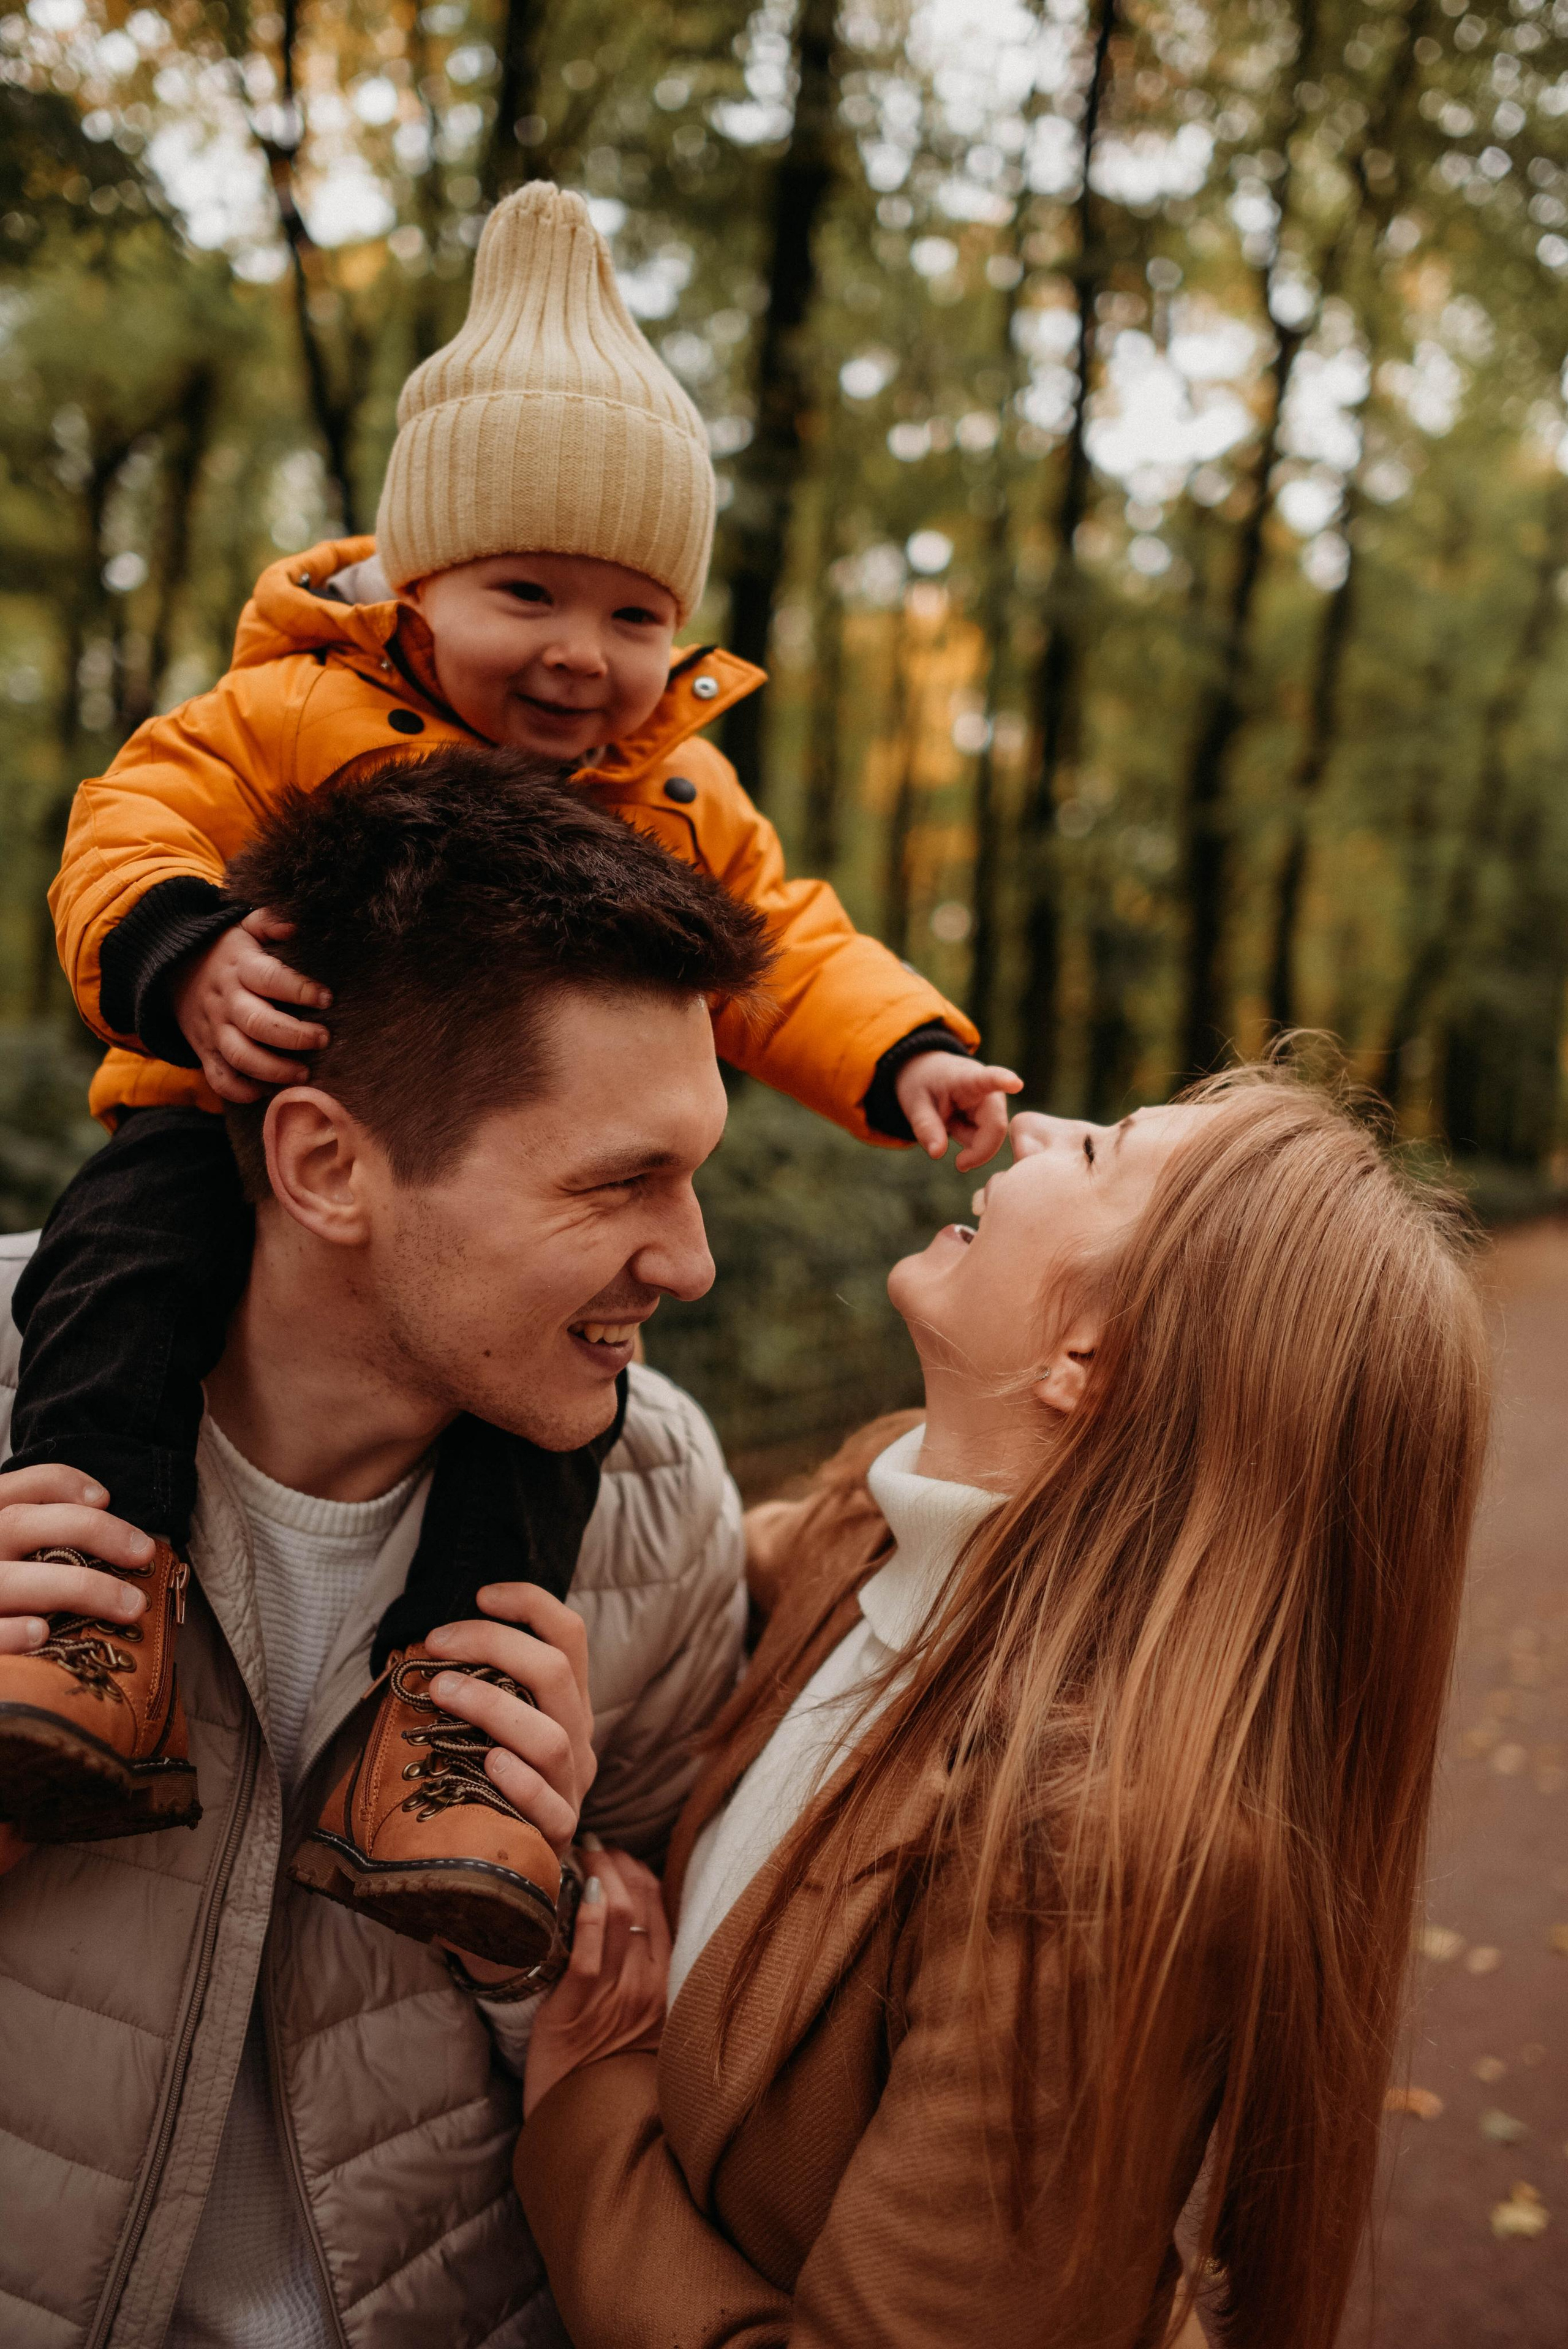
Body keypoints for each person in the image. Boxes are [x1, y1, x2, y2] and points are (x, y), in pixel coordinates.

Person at [15, 183, 1020, 1877]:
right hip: (208, 1107)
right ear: (415, 581)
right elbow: (133, 821)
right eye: (528, 596)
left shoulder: (674, 799)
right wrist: (182, 957)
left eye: (636, 617)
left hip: (468, 1344)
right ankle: (83, 1617)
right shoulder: (294, 709)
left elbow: (782, 945)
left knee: (550, 1448)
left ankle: (452, 1732)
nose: (582, 657)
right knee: (119, 1287)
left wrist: (906, 1049)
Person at [512, 1072, 1491, 2349]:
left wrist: (591, 2108)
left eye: (1096, 1154)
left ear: (1090, 1359)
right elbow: (685, 1561)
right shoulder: (874, 1529)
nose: (1034, 1126)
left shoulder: (1082, 1854)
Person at [0, 752, 771, 2348]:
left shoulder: (663, 1496)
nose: (692, 1260)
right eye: (622, 1180)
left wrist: (544, 1931)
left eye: (695, 1170)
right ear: (325, 1164)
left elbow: (683, 2086)